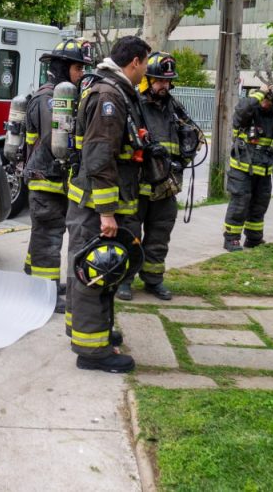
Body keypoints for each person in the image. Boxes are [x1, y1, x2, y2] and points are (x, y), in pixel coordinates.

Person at [65, 35, 150, 373]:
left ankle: (88, 331)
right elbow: (100, 158)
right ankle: (92, 351)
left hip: (91, 201)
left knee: (89, 270)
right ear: (135, 62)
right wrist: (107, 213)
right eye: (144, 64)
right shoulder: (109, 97)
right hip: (95, 205)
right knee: (97, 269)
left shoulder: (110, 89)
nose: (144, 71)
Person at [22, 38, 96, 314]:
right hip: (47, 181)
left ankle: (38, 280)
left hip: (53, 181)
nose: (82, 75)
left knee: (43, 235)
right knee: (48, 236)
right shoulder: (50, 100)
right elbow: (54, 143)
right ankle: (45, 294)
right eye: (79, 69)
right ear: (64, 68)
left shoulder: (58, 96)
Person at [118, 52, 182, 301]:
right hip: (138, 185)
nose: (163, 86)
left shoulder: (174, 108)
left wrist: (187, 144)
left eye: (167, 82)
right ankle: (125, 280)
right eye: (159, 81)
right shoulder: (135, 105)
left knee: (159, 236)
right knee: (131, 235)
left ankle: (154, 280)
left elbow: (187, 137)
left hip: (166, 186)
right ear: (147, 80)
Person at [222, 84, 273, 251]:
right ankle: (231, 239)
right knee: (240, 203)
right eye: (267, 99)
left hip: (264, 168)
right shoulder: (249, 111)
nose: (269, 103)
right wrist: (261, 92)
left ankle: (254, 238)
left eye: (271, 100)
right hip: (242, 168)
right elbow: (242, 110)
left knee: (260, 204)